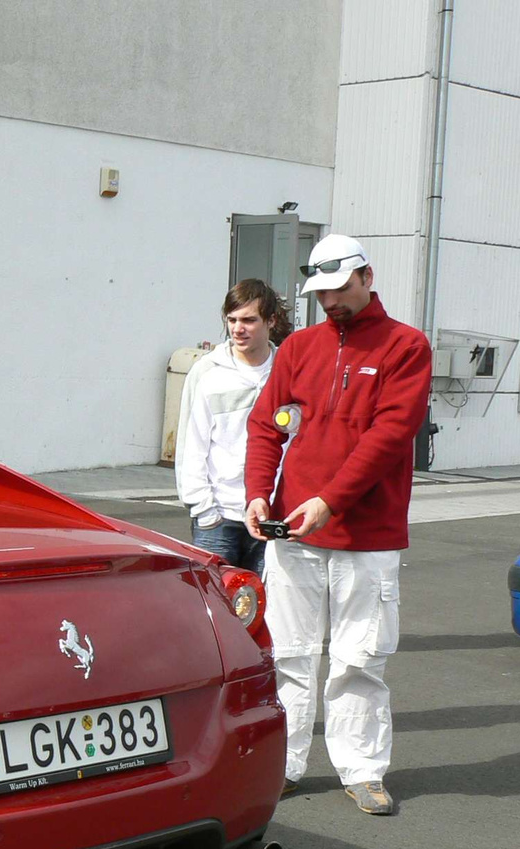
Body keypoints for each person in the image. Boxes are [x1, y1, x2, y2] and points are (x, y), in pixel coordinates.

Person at [242, 234, 431, 815]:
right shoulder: (298, 347)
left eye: (339, 289)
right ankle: (287, 765)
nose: (330, 302)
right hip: (294, 533)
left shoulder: (406, 346)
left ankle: (363, 770)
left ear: (367, 277)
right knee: (290, 656)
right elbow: (265, 426)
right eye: (320, 293)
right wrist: (256, 495)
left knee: (360, 659)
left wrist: (329, 500)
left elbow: (389, 438)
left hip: (365, 536)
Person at [175, 278, 292, 574]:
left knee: (266, 612)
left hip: (272, 515)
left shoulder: (288, 371)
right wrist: (204, 511)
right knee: (216, 610)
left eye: (249, 320)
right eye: (232, 319)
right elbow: (191, 445)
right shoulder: (208, 372)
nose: (238, 328)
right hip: (218, 519)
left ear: (271, 320)